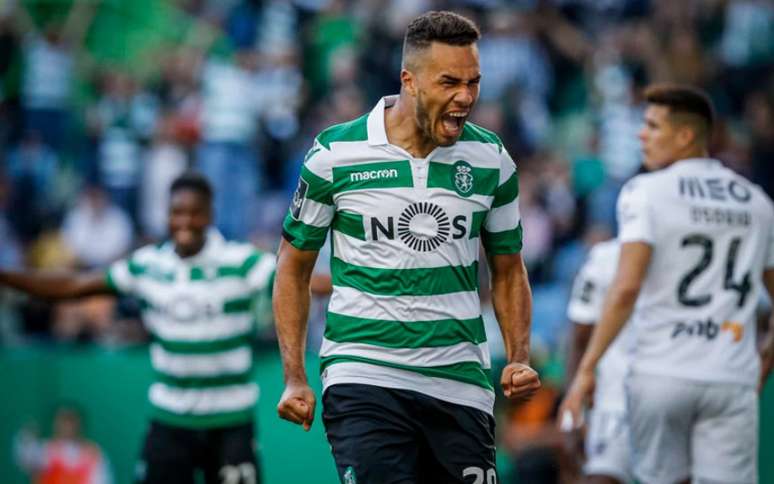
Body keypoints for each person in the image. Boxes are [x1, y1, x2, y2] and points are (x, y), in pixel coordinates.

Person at [273, 10, 541, 483]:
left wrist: (518, 354)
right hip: (364, 375)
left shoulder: (491, 159)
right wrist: (295, 375)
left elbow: (507, 269)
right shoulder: (335, 155)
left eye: (474, 82)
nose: (465, 97)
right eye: (450, 82)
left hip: (460, 381)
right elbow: (293, 269)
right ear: (409, 81)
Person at [0, 171, 329, 484]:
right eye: (177, 212)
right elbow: (75, 285)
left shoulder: (240, 262)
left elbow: (299, 281)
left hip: (230, 423)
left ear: (209, 215)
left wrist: (361, 282)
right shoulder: (147, 266)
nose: (185, 221)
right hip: (169, 422)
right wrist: (6, 275)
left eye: (194, 212)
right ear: (167, 215)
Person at [560, 84, 774, 484]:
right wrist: (763, 362)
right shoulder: (757, 202)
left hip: (661, 372)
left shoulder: (646, 192)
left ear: (686, 135)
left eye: (653, 126)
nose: (641, 135)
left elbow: (625, 290)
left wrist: (587, 371)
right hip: (730, 376)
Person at [564, 238, 633, 484]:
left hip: (651, 398)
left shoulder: (607, 256)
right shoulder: (605, 257)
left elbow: (579, 337)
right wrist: (571, 418)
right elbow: (579, 337)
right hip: (615, 402)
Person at [15, 404, 113, 484]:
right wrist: (26, 437)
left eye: (70, 420)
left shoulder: (93, 453)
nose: (67, 425)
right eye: (62, 420)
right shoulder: (45, 449)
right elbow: (26, 460)